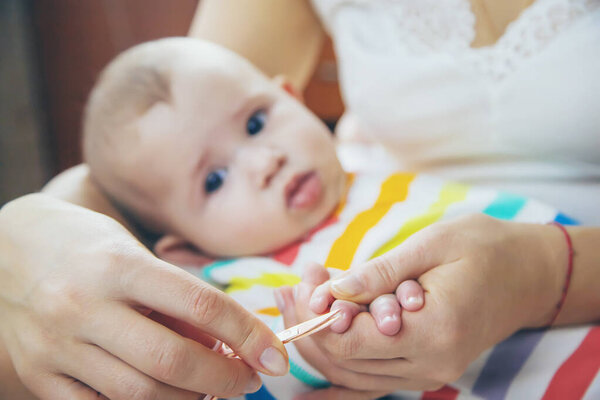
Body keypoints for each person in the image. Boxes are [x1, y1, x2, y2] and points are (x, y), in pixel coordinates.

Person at [78, 36, 596, 399]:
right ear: (186, 250)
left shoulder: (368, 161)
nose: (265, 161)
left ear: (292, 97)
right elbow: (253, 371)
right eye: (214, 180)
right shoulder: (244, 283)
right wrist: (320, 345)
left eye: (257, 122)